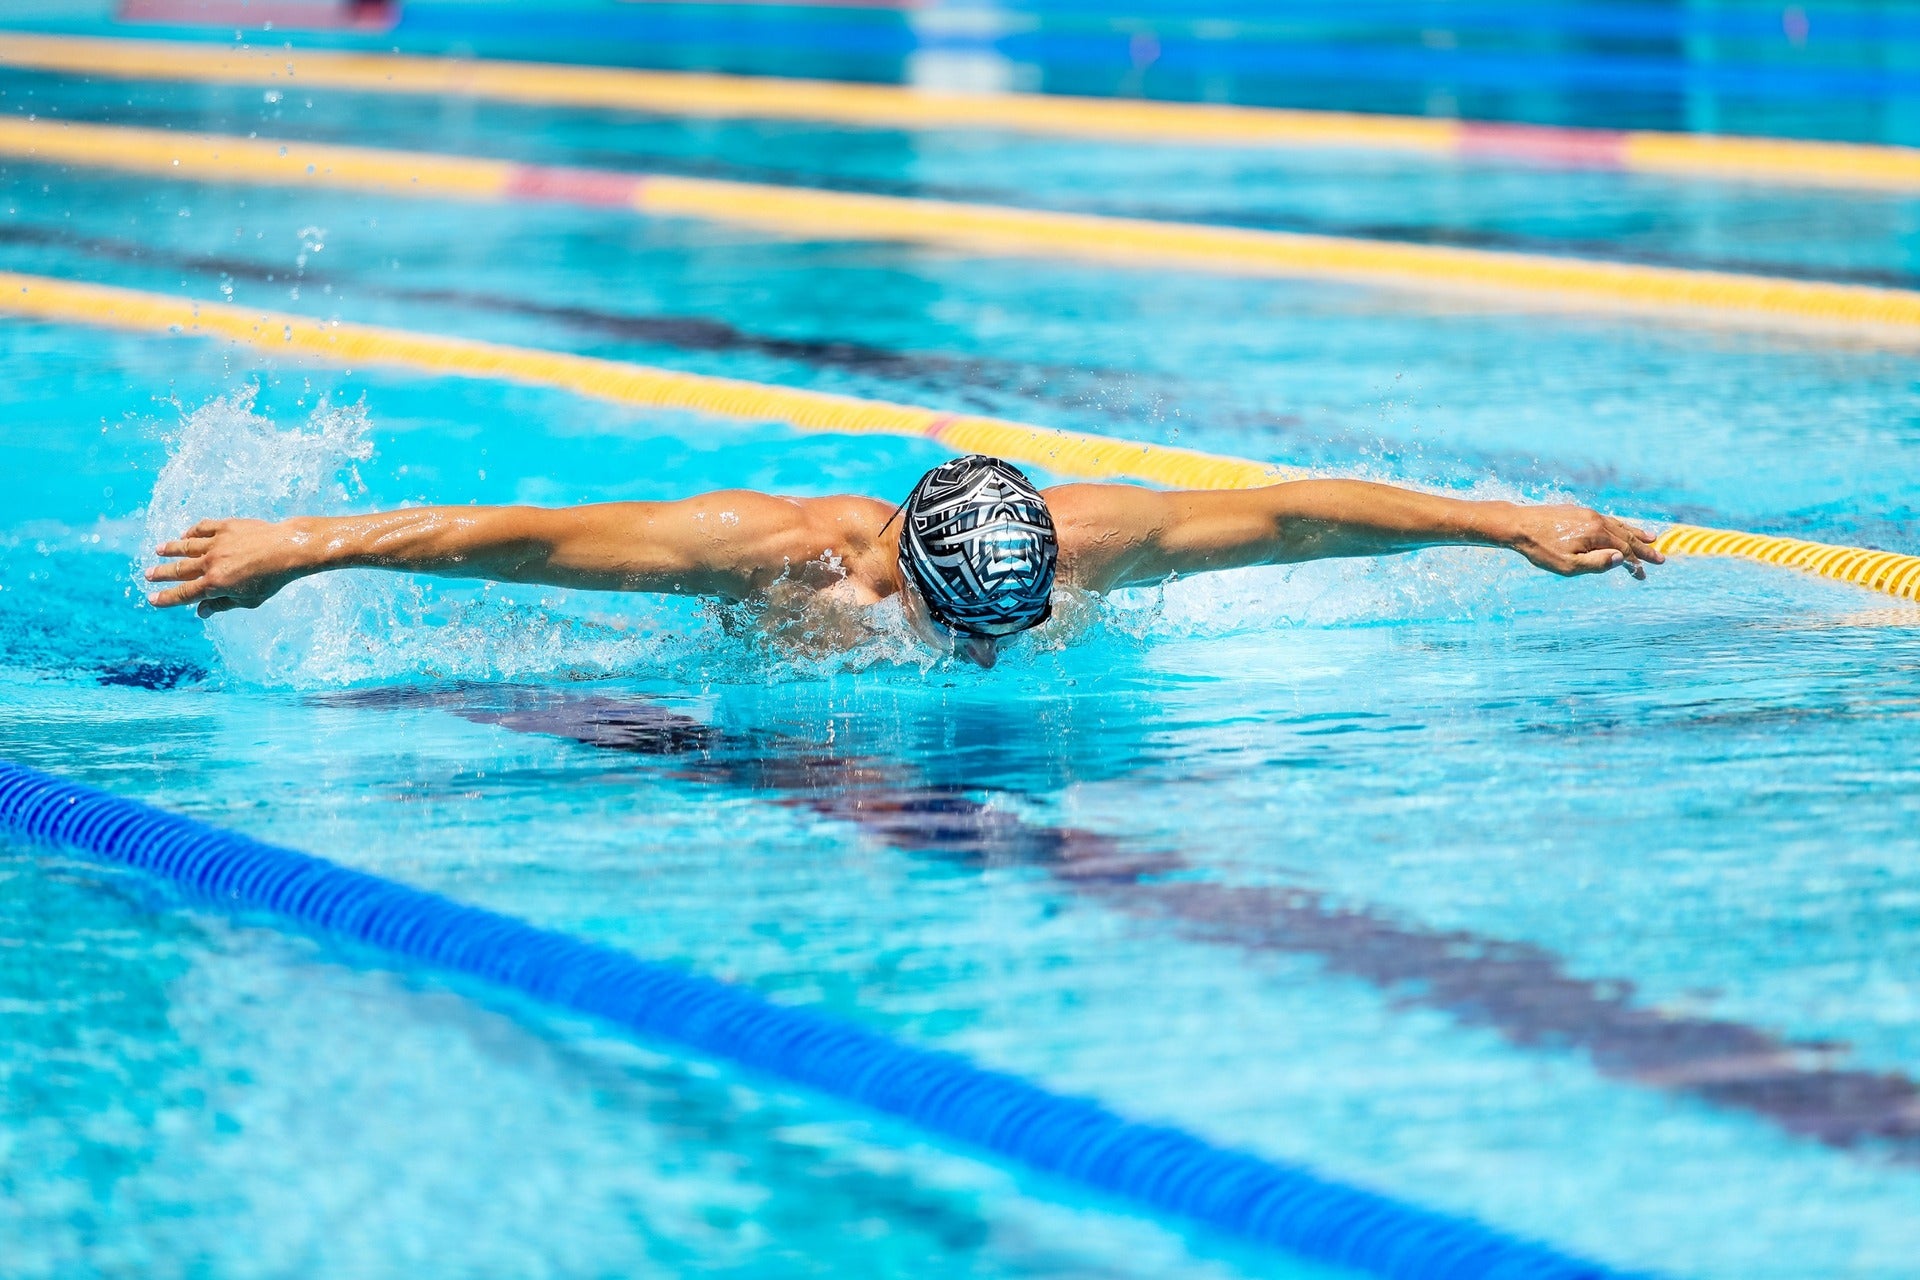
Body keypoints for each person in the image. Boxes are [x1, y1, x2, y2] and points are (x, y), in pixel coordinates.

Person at [145, 454, 1663, 669]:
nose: (999, 651)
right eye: (970, 627)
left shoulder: (1085, 543)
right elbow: (519, 542)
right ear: (893, 583)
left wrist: (1508, 520)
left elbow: (1288, 516)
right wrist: (299, 546)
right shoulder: (777, 562)